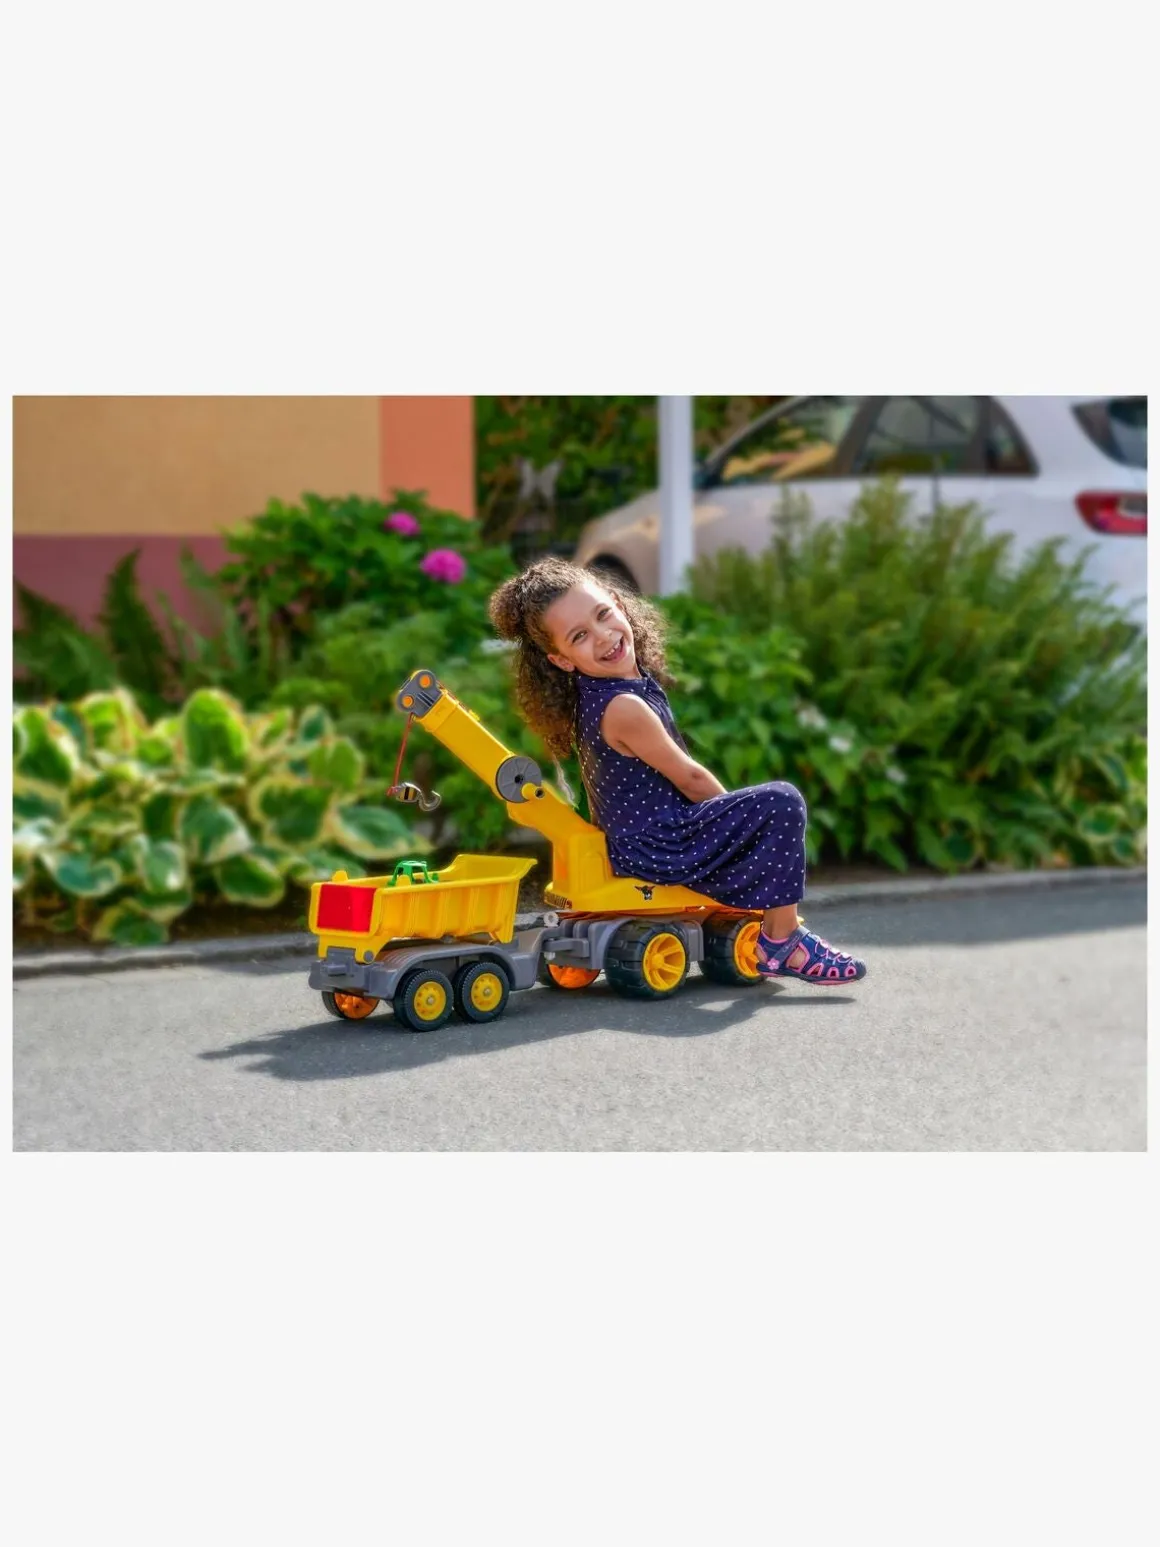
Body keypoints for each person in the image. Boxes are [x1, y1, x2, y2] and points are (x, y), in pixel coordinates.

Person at [488, 558, 867, 985]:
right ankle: (782, 940)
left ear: (617, 603)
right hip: (660, 845)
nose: (604, 635)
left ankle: (777, 928)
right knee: (782, 802)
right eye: (580, 636)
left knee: (762, 809)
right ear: (561, 660)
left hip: (648, 837)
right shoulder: (623, 707)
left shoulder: (608, 691)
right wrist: (735, 823)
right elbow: (691, 779)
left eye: (602, 614)